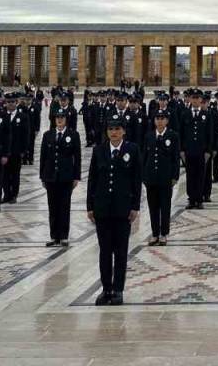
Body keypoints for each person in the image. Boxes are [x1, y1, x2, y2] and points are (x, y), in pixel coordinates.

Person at [87, 117, 142, 306]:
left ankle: (118, 289)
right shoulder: (99, 150)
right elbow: (92, 180)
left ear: (123, 131)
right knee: (104, 252)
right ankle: (106, 289)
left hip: (122, 210)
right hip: (102, 209)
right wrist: (90, 206)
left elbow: (136, 179)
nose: (114, 132)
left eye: (117, 129)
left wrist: (135, 206)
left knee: (120, 252)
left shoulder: (132, 150)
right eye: (111, 129)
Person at [39, 111, 81, 247]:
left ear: (66, 119)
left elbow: (77, 157)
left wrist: (76, 176)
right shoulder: (48, 135)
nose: (59, 120)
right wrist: (42, 176)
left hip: (66, 176)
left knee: (64, 206)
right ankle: (54, 236)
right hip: (50, 176)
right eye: (57, 117)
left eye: (62, 117)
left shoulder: (73, 135)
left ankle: (63, 235)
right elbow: (43, 157)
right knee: (52, 206)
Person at [142, 110, 180, 246]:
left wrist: (175, 176)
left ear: (167, 121)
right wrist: (144, 177)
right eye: (157, 118)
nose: (159, 121)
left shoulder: (173, 136)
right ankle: (154, 233)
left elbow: (175, 158)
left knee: (165, 206)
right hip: (151, 178)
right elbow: (145, 157)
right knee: (153, 207)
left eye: (162, 118)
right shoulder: (149, 136)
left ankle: (164, 233)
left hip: (166, 178)